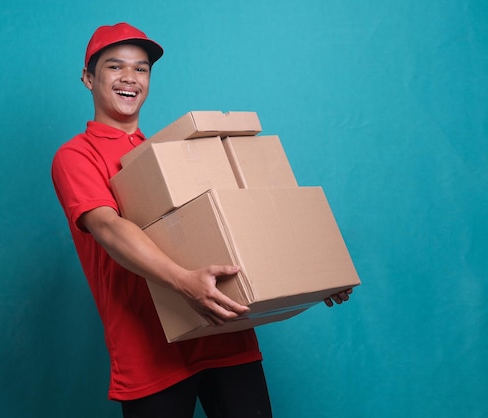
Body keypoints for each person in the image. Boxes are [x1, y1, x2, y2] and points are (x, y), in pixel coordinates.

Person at [51, 22, 352, 418]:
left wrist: (311, 277)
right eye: (115, 67)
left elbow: (235, 219)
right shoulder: (76, 156)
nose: (130, 78)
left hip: (226, 332)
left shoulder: (173, 152)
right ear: (88, 78)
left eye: (141, 69)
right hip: (151, 352)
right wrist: (183, 282)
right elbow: (109, 227)